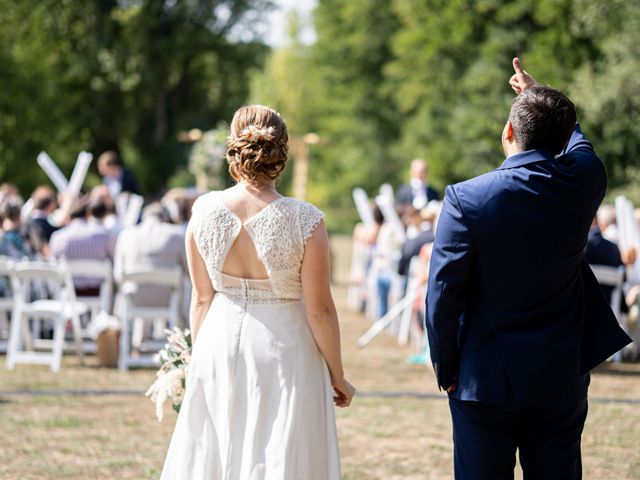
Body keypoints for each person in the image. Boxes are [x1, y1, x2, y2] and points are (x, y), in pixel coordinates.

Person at [425, 58, 631, 479]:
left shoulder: (466, 199)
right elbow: (580, 146)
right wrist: (543, 98)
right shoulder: (585, 182)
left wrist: (446, 369)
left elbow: (443, 294)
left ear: (507, 133)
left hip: (484, 377)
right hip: (561, 372)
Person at [160, 105, 354, 479]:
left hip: (217, 340)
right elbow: (320, 311)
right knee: (280, 450)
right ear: (281, 153)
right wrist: (338, 375)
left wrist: (198, 362)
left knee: (217, 452)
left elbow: (201, 298)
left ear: (234, 151)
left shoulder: (202, 210)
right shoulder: (305, 219)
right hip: (284, 347)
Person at [49, 198, 115, 296]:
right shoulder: (104, 235)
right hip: (99, 293)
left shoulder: (58, 237)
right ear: (88, 215)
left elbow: (54, 265)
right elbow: (113, 259)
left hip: (69, 293)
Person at [25, 186, 59, 257]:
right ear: (51, 204)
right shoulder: (36, 224)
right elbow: (41, 246)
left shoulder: (34, 222)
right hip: (44, 265)